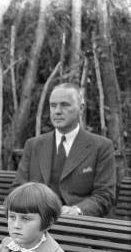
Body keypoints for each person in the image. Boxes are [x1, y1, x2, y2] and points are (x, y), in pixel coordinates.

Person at [12, 83, 116, 217]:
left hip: (79, 226)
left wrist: (77, 210)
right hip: (37, 224)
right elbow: (18, 189)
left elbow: (105, 195)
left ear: (81, 108)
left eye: (65, 105)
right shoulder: (33, 145)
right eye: (53, 105)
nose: (57, 111)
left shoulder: (101, 147)